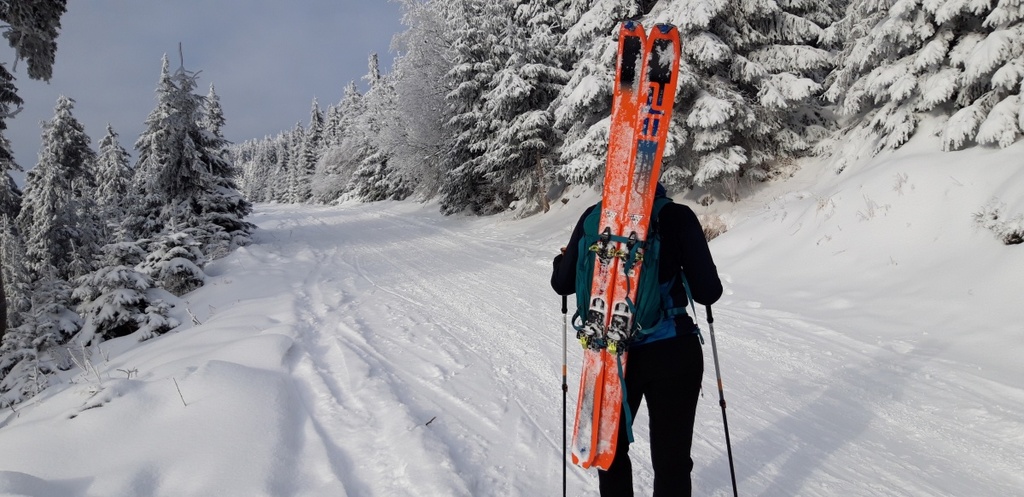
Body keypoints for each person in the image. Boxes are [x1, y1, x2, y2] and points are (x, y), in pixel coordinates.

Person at [550, 184, 722, 496]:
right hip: (674, 350)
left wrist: (559, 262)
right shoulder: (677, 215)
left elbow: (562, 285)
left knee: (610, 452)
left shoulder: (594, 217)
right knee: (672, 462)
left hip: (613, 352)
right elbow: (708, 292)